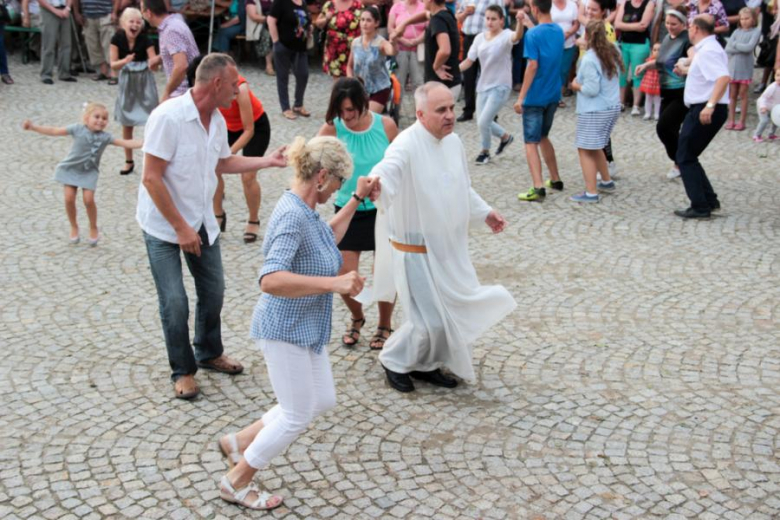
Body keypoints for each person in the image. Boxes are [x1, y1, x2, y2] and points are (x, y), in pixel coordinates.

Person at [216, 136, 375, 510]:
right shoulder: (290, 215)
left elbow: (325, 238)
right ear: (321, 176)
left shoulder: (307, 211)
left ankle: (238, 442)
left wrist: (356, 198)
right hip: (283, 330)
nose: (338, 189)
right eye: (338, 183)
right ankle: (235, 481)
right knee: (295, 413)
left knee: (321, 398)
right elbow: (270, 280)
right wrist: (334, 283)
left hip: (306, 330)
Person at [137, 54, 287, 399]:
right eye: (235, 84)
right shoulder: (168, 118)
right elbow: (151, 178)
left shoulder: (217, 119)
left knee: (214, 291)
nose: (239, 90)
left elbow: (223, 162)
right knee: (174, 301)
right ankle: (183, 370)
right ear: (217, 83)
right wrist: (180, 229)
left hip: (201, 221)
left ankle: (208, 351)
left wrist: (268, 161)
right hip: (164, 225)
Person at [364, 82, 515, 393]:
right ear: (420, 114)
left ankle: (426, 364)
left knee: (446, 315)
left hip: (446, 247)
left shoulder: (454, 143)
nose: (450, 116)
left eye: (452, 108)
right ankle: (392, 359)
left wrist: (485, 212)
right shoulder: (405, 144)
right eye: (441, 110)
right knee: (427, 320)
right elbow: (387, 169)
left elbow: (461, 187)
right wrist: (378, 183)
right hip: (413, 250)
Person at [317, 78, 399, 349]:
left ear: (364, 103)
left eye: (351, 110)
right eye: (341, 111)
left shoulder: (385, 125)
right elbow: (312, 159)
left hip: (382, 209)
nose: (346, 117)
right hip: (348, 207)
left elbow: (402, 163)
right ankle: (357, 317)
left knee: (386, 272)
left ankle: (385, 323)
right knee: (343, 271)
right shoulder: (333, 127)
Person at [22, 103, 142, 245]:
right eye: (96, 117)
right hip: (71, 168)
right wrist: (34, 127)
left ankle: (93, 226)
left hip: (89, 172)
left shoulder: (105, 137)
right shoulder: (77, 129)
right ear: (86, 118)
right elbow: (54, 131)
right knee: (68, 198)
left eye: (104, 118)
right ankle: (74, 226)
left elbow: (125, 143)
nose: (100, 120)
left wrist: (145, 142)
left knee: (88, 200)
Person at [186, 57, 272, 244]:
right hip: (228, 127)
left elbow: (249, 130)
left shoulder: (239, 89)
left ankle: (253, 219)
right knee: (214, 169)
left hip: (255, 127)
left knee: (248, 175)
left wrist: (229, 152)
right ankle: (218, 213)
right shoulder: (206, 94)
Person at [672, 14, 729, 219]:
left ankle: (700, 206)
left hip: (705, 108)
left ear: (695, 29)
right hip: (702, 106)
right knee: (689, 155)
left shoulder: (708, 51)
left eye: (690, 27)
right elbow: (708, 75)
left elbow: (723, 78)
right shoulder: (707, 49)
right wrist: (686, 70)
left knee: (685, 156)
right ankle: (708, 200)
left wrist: (710, 105)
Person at [514, 0, 564, 202]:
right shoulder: (558, 31)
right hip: (553, 93)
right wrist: (528, 23)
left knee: (531, 142)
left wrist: (521, 97)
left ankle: (538, 186)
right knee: (544, 136)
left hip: (535, 96)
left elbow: (532, 65)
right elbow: (543, 39)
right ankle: (555, 178)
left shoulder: (532, 35)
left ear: (534, 8)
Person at [459, 6, 523, 164]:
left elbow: (517, 36)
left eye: (493, 19)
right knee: (483, 122)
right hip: (483, 85)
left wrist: (520, 22)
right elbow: (469, 61)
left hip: (501, 85)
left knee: (483, 122)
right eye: (487, 18)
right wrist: (454, 73)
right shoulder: (479, 38)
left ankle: (484, 151)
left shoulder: (506, 35)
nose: (490, 22)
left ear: (501, 20)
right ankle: (505, 137)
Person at [569, 21, 621, 202]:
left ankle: (591, 192)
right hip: (611, 106)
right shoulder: (614, 51)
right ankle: (606, 181)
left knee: (585, 149)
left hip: (594, 110)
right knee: (597, 145)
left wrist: (576, 85)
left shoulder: (589, 59)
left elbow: (591, 89)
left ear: (589, 37)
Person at [636, 5, 689, 179]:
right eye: (667, 23)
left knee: (664, 126)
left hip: (681, 91)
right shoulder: (667, 38)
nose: (670, 26)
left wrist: (685, 67)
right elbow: (661, 61)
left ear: (683, 24)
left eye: (674, 24)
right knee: (668, 129)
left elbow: (694, 60)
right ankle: (681, 161)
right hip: (665, 89)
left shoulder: (686, 40)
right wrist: (646, 65)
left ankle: (681, 161)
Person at [110, 7, 160, 175]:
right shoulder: (117, 38)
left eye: (138, 22)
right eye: (131, 21)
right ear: (123, 23)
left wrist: (156, 61)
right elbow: (113, 64)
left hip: (144, 81)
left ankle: (152, 159)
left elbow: (153, 63)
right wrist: (125, 60)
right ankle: (129, 161)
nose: (135, 25)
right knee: (127, 122)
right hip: (127, 81)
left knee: (152, 120)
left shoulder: (146, 39)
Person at [390, 0, 463, 98]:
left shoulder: (438, 19)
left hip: (443, 85)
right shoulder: (444, 13)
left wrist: (436, 66)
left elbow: (445, 50)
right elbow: (425, 15)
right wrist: (404, 24)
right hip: (445, 83)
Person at [455, 0, 505, 122]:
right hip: (468, 38)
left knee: (488, 76)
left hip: (487, 39)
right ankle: (468, 110)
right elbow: (458, 17)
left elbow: (501, 21)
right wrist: (465, 13)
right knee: (468, 76)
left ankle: (491, 113)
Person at [141, 0, 199, 101]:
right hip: (188, 90)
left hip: (184, 93)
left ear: (149, 13)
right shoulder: (175, 20)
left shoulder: (170, 30)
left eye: (142, 11)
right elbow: (179, 49)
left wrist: (167, 93)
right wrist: (159, 58)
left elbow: (181, 66)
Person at [347, 7, 397, 112]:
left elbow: (392, 51)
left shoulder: (381, 43)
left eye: (368, 20)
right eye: (362, 20)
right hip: (360, 89)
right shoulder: (355, 43)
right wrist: (350, 80)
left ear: (376, 23)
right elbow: (349, 66)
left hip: (380, 88)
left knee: (367, 118)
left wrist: (394, 42)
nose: (364, 23)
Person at [268, 0, 312, 119]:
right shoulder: (281, 2)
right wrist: (276, 42)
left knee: (303, 74)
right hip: (283, 45)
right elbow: (271, 20)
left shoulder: (303, 3)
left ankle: (298, 104)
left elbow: (305, 20)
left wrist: (309, 28)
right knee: (283, 77)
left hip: (300, 47)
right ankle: (285, 108)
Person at [615, 0, 655, 115]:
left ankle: (636, 105)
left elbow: (643, 26)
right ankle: (620, 102)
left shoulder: (649, 3)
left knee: (637, 74)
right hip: (624, 43)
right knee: (621, 73)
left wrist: (625, 26)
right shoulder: (625, 3)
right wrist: (635, 26)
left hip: (640, 43)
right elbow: (617, 24)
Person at [388, 0, 426, 115]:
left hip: (418, 50)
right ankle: (395, 112)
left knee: (418, 82)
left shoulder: (423, 7)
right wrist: (403, 40)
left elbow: (428, 28)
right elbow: (390, 28)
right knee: (398, 82)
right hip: (400, 49)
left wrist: (417, 40)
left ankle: (420, 113)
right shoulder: (397, 7)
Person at [724, 7, 760, 130]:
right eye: (742, 19)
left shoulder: (755, 32)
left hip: (745, 68)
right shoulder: (736, 32)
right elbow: (727, 49)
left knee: (743, 94)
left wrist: (734, 44)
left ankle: (742, 121)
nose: (744, 21)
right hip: (733, 67)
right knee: (732, 94)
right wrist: (739, 47)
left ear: (753, 19)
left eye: (747, 18)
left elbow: (749, 48)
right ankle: (731, 119)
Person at [315, 0, 363, 79]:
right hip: (334, 48)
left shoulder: (357, 4)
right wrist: (326, 19)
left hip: (353, 47)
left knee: (354, 78)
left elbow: (364, 23)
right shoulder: (330, 4)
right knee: (337, 79)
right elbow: (318, 23)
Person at [74, 0, 117, 83]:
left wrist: (114, 12)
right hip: (87, 16)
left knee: (109, 45)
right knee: (93, 46)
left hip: (105, 14)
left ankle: (114, 74)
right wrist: (76, 13)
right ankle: (103, 72)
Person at [39, 0, 76, 84]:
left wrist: (68, 8)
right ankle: (46, 74)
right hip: (48, 10)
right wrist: (55, 11)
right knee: (49, 44)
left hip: (64, 9)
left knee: (66, 44)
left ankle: (64, 73)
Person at [551, 0, 580, 107]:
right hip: (552, 41)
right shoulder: (549, 4)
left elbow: (576, 24)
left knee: (563, 70)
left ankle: (558, 96)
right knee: (553, 69)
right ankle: (553, 97)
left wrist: (567, 34)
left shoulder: (572, 5)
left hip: (569, 42)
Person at [246, 0, 276, 76]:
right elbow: (253, 16)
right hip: (258, 25)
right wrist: (269, 19)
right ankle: (269, 65)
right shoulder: (251, 1)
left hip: (274, 23)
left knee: (286, 32)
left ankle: (284, 63)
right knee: (268, 34)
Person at [753, 66, 780, 142]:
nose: (779, 78)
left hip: (774, 107)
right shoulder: (773, 87)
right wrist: (763, 107)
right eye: (777, 75)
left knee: (776, 120)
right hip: (764, 105)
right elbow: (763, 98)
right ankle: (756, 135)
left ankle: (771, 134)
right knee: (764, 120)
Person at [638, 42, 661, 120]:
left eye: (659, 50)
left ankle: (657, 113)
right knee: (648, 97)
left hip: (658, 82)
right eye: (655, 50)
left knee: (657, 98)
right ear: (652, 51)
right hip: (649, 81)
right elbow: (646, 68)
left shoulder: (663, 60)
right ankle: (648, 113)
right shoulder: (649, 60)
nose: (656, 51)